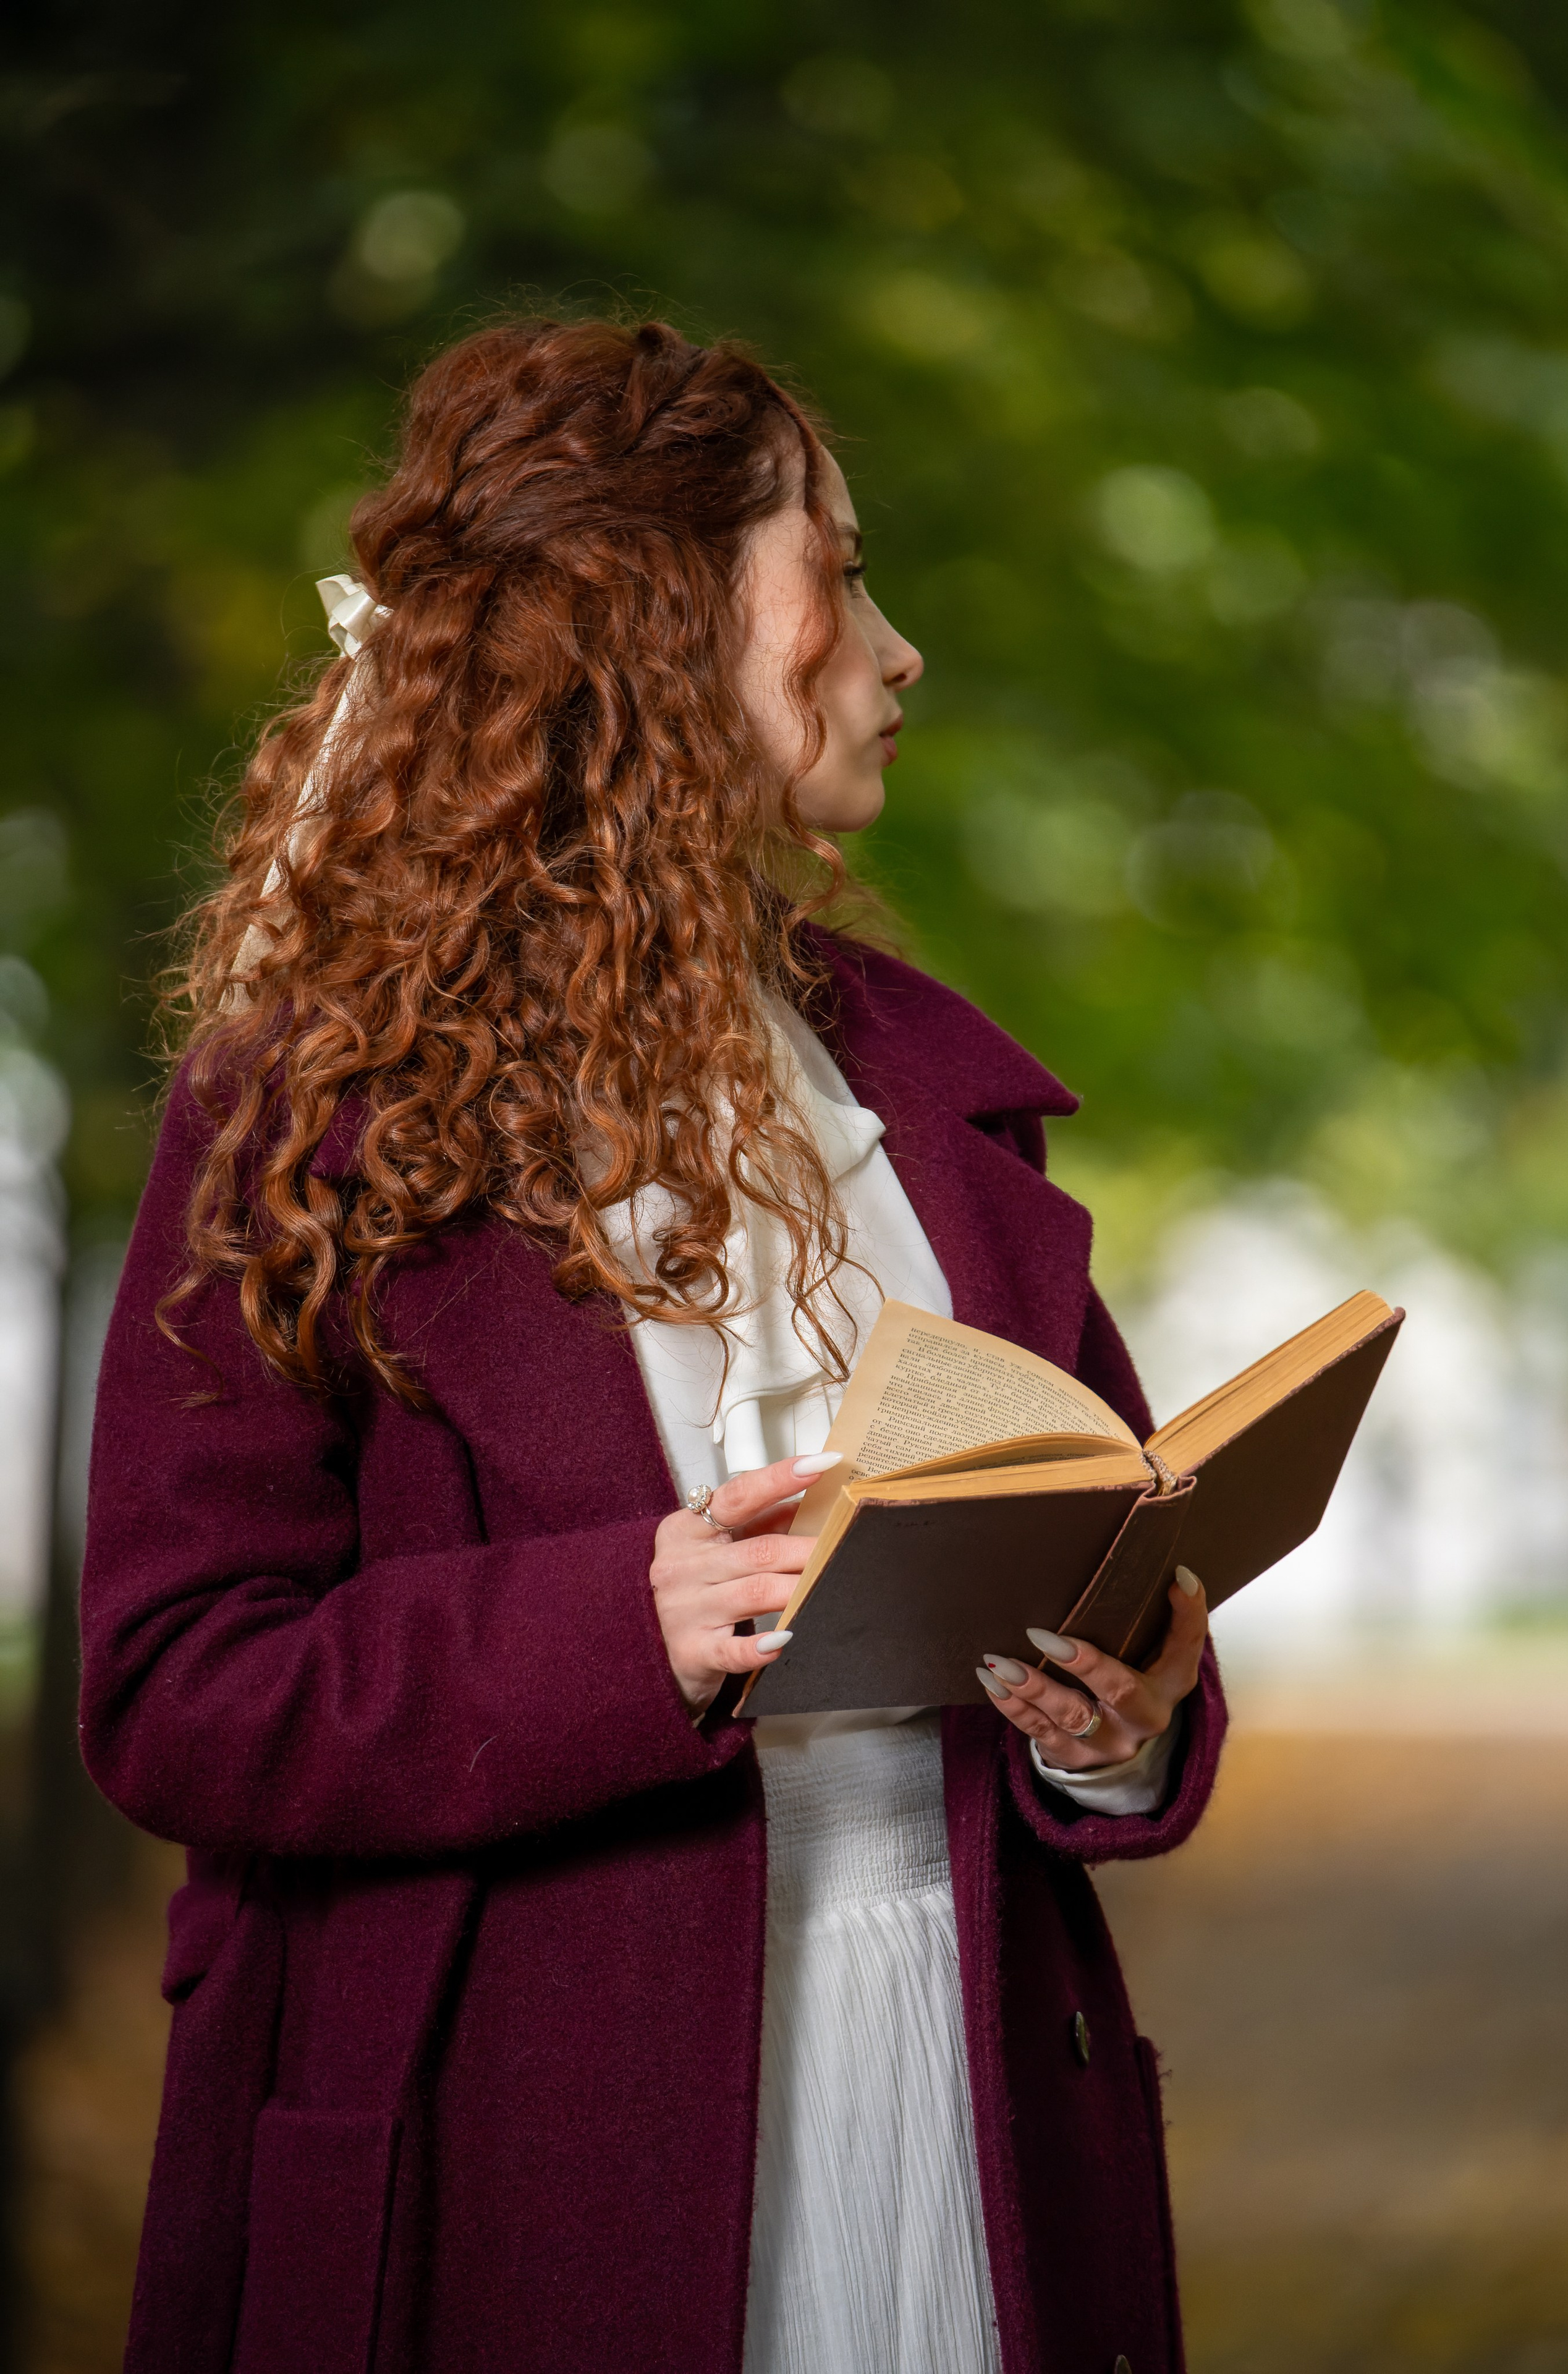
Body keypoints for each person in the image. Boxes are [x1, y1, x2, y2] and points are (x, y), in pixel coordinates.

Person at [80, 316, 1224, 2374]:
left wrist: (1120, 1711)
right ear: (661, 621)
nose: (900, 648)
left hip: (969, 2091)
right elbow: (175, 1693)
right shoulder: (301, 1111)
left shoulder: (922, 1094)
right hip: (516, 2139)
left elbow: (1118, 1546)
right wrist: (624, 1628)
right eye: (844, 570)